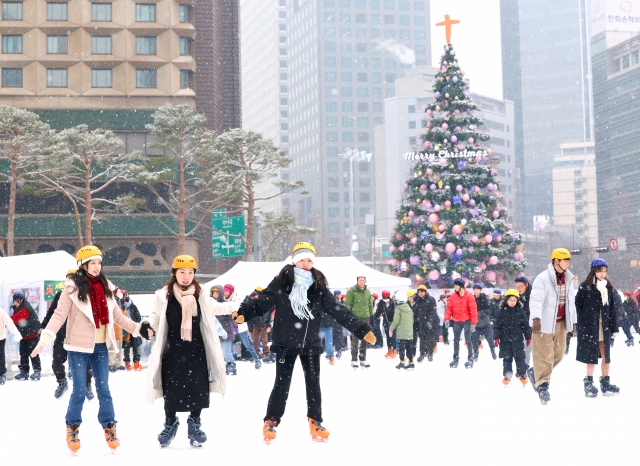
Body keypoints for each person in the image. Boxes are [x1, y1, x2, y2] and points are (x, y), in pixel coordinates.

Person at [236, 242, 375, 443]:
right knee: (281, 384)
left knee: (313, 384)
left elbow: (338, 310)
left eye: (309, 260)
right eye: (302, 259)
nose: (305, 263)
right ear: (294, 261)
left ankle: (315, 421)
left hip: (310, 344)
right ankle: (271, 420)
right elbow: (262, 301)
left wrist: (361, 329)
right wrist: (244, 312)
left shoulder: (318, 287)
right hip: (285, 344)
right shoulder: (281, 283)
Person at [32, 245, 142, 453]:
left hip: (100, 346)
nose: (97, 266)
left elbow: (118, 317)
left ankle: (110, 426)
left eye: (99, 262)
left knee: (104, 390)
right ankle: (72, 427)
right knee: (80, 391)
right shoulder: (71, 288)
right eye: (92, 262)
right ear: (83, 265)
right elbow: (58, 315)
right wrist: (45, 338)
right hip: (78, 346)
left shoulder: (106, 287)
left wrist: (139, 329)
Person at [140, 255, 240, 448]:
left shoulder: (200, 293)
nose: (186, 277)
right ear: (174, 273)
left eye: (190, 272)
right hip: (171, 350)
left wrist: (241, 306)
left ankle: (195, 424)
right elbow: (154, 317)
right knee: (171, 389)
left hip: (196, 349)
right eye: (182, 272)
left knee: (197, 387)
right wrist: (147, 325)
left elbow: (218, 308)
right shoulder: (163, 295)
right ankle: (170, 423)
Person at [528, 248, 577, 405]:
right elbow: (535, 299)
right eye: (565, 260)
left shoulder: (568, 279)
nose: (568, 263)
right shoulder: (542, 279)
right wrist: (536, 318)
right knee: (544, 355)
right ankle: (542, 385)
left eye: (568, 260)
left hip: (561, 323)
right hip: (543, 324)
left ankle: (536, 372)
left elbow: (570, 303)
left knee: (559, 353)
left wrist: (573, 322)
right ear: (556, 261)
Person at [41, 269, 94, 399]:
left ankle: (87, 385)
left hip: (78, 336)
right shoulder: (60, 295)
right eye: (68, 278)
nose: (70, 280)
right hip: (61, 336)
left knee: (85, 364)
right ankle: (61, 382)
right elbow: (53, 313)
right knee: (57, 362)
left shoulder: (84, 294)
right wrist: (43, 326)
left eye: (72, 277)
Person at [575, 259, 620, 397]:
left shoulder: (608, 288)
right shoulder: (585, 287)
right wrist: (579, 325)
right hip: (590, 327)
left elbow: (613, 309)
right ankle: (588, 382)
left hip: (604, 327)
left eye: (604, 271)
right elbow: (577, 307)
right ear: (594, 271)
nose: (602, 274)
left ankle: (605, 381)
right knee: (591, 355)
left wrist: (614, 328)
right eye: (600, 271)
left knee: (606, 355)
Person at [493, 289, 531, 386]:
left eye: (514, 300)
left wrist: (528, 337)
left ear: (517, 300)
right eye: (510, 300)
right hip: (505, 340)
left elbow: (525, 325)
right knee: (507, 359)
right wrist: (496, 337)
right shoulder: (501, 312)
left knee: (520, 358)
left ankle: (522, 375)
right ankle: (507, 375)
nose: (512, 302)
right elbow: (497, 326)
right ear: (506, 300)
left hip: (517, 339)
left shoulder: (520, 311)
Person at [444, 278, 478, 369]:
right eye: (454, 285)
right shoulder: (452, 296)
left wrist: (473, 323)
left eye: (456, 285)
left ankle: (470, 357)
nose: (454, 286)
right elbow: (449, 308)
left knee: (468, 339)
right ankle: (455, 358)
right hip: (456, 321)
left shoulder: (469, 296)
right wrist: (447, 319)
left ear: (461, 286)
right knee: (456, 340)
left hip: (467, 321)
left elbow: (473, 310)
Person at [10, 291, 42, 381]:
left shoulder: (25, 308)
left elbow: (17, 318)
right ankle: (24, 372)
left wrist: (6, 321)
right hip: (24, 335)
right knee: (23, 354)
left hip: (32, 335)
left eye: (18, 300)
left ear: (22, 300)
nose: (16, 302)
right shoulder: (18, 308)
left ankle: (37, 371)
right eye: (15, 300)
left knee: (33, 354)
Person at [345, 275, 374, 369]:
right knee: (355, 339)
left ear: (365, 281)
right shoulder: (351, 291)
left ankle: (363, 359)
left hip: (366, 317)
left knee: (365, 339)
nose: (361, 282)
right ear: (357, 281)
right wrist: (349, 317)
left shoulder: (368, 291)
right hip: (355, 318)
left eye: (363, 280)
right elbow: (348, 304)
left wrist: (371, 315)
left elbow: (370, 304)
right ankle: (354, 360)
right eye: (360, 280)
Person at [211, 285, 238, 376]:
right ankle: (221, 366)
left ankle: (231, 364)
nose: (215, 294)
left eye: (217, 293)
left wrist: (235, 327)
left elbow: (232, 316)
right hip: (215, 332)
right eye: (213, 292)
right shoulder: (210, 303)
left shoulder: (225, 303)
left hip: (226, 331)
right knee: (217, 352)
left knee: (226, 351)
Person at [413, 285, 438, 362]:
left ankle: (430, 353)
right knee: (422, 337)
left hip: (431, 321)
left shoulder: (431, 299)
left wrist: (429, 321)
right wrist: (416, 316)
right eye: (419, 292)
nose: (420, 293)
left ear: (425, 292)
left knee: (430, 337)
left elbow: (433, 312)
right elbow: (415, 310)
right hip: (421, 321)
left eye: (422, 292)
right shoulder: (417, 300)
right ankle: (422, 353)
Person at [390, 290, 415, 370]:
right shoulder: (409, 308)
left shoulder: (398, 309)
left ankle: (402, 362)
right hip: (410, 332)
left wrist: (391, 329)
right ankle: (411, 362)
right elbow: (412, 320)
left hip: (401, 332)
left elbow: (396, 321)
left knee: (401, 348)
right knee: (409, 348)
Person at [471, 283, 496, 362]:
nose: (475, 291)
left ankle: (492, 350)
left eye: (477, 289)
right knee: (474, 339)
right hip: (475, 323)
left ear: (480, 290)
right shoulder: (471, 299)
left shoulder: (485, 298)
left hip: (485, 322)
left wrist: (484, 313)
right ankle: (475, 353)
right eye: (474, 289)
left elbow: (489, 309)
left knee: (490, 338)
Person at [120, 290, 142, 371]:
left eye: (126, 295)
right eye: (124, 295)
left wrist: (138, 324)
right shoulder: (120, 306)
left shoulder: (132, 306)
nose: (125, 297)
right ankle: (127, 362)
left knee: (135, 345)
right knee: (127, 346)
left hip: (134, 328)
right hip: (125, 328)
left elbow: (138, 316)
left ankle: (136, 362)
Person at [0, 305, 21, 385]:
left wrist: (16, 333)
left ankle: (1, 374)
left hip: (0, 337)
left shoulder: (1, 312)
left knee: (0, 355)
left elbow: (9, 323)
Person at [515, 276, 533, 366]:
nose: (519, 289)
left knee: (528, 346)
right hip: (519, 325)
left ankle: (525, 365)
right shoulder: (516, 296)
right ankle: (523, 366)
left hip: (532, 324)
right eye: (517, 287)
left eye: (520, 286)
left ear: (526, 284)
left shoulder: (533, 294)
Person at [375, 290, 397, 358]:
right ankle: (389, 350)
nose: (385, 299)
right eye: (384, 297)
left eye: (386, 297)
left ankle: (395, 350)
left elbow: (396, 311)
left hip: (392, 322)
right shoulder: (381, 302)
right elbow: (378, 311)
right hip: (385, 322)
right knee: (388, 336)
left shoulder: (393, 302)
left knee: (393, 336)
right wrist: (375, 316)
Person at [331, 290, 347, 359]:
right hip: (336, 321)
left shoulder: (333, 300)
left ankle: (337, 348)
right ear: (337, 295)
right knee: (338, 334)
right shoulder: (335, 301)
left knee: (335, 335)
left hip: (335, 320)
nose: (341, 296)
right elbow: (337, 309)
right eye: (340, 294)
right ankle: (338, 349)